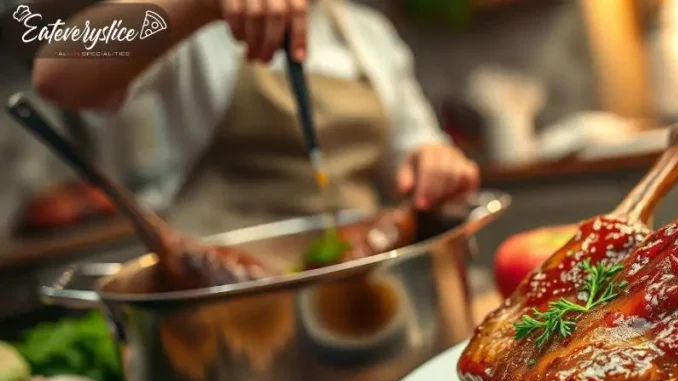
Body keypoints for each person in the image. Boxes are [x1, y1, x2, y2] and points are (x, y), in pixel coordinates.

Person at [31, 0, 480, 234]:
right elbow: (56, 74)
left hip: (356, 295)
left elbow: (419, 149)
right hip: (225, 304)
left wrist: (436, 162)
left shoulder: (369, 33)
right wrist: (197, 6)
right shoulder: (196, 31)